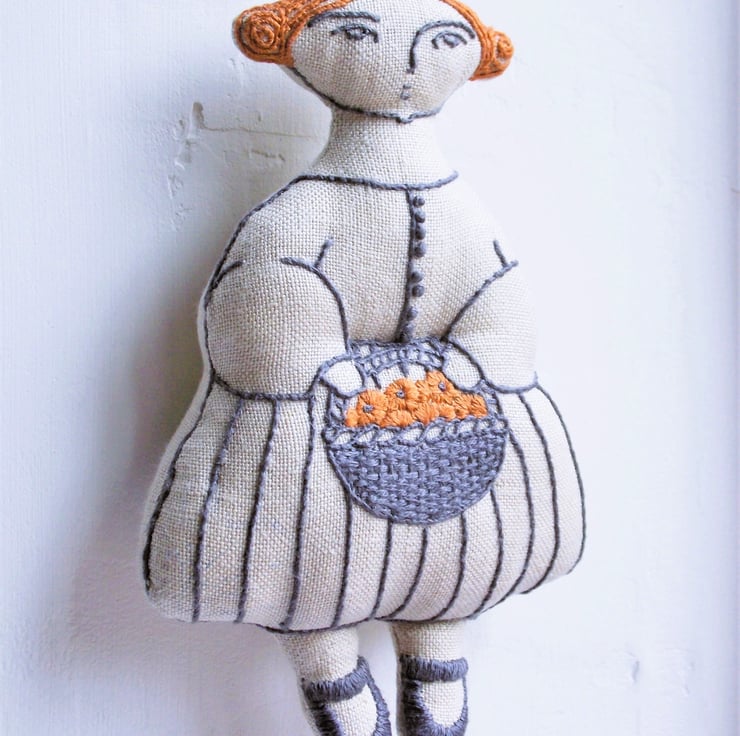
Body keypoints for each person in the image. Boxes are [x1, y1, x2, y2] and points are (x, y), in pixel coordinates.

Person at [142, 0, 585, 733]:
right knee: (300, 557)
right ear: (297, 46)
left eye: (439, 41)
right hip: (315, 414)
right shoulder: (301, 212)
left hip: (459, 414)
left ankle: (437, 658)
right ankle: (330, 672)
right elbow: (265, 291)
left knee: (461, 559)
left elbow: (499, 291)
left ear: (474, 54)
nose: (408, 63)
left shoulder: (456, 209)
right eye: (359, 35)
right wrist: (320, 362)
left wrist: (479, 356)